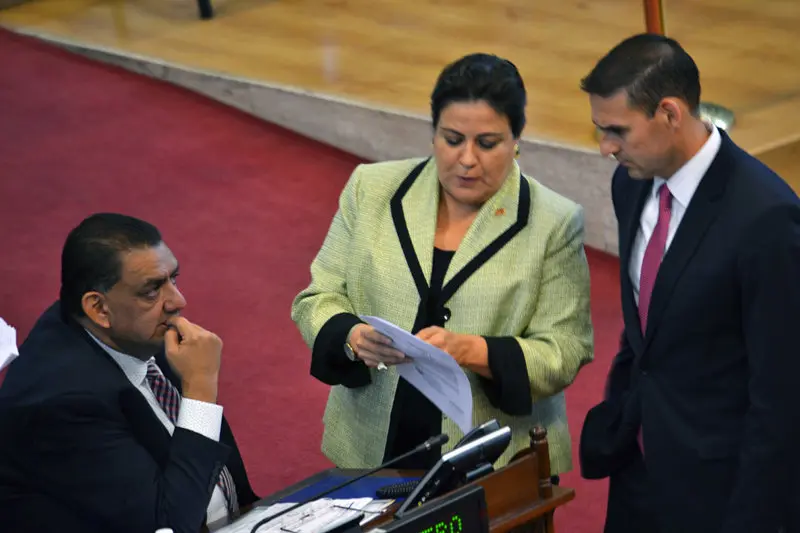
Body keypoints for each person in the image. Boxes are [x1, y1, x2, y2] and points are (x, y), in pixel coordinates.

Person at [291, 53, 594, 474]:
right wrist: (353, 336)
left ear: (516, 140)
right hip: (372, 446)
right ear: (433, 133)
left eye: (487, 143)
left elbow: (565, 349)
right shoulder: (371, 189)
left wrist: (471, 350)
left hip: (497, 462)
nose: (467, 159)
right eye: (452, 139)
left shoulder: (553, 222)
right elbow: (317, 298)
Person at [578, 33, 800, 533]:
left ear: (670, 114)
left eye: (617, 131)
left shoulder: (766, 217)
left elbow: (782, 395)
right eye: (599, 130)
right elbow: (646, 324)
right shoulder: (629, 183)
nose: (605, 148)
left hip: (719, 494)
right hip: (637, 472)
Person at [0, 213, 259, 533]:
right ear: (99, 308)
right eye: (152, 290)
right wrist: (200, 391)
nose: (178, 301)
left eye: (174, 279)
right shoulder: (59, 404)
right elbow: (168, 527)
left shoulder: (132, 328)